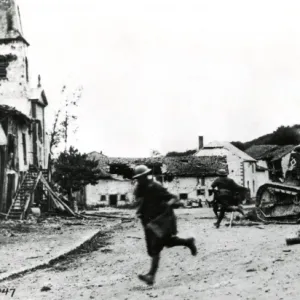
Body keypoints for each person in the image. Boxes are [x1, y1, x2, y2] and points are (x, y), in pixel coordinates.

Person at [133, 165, 197, 286]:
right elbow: (139, 203)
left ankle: (151, 275)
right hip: (148, 221)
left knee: (156, 246)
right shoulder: (138, 188)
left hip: (161, 220)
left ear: (146, 175)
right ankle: (188, 242)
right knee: (166, 242)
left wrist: (168, 205)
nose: (140, 179)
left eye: (142, 177)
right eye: (138, 177)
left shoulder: (155, 186)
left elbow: (173, 198)